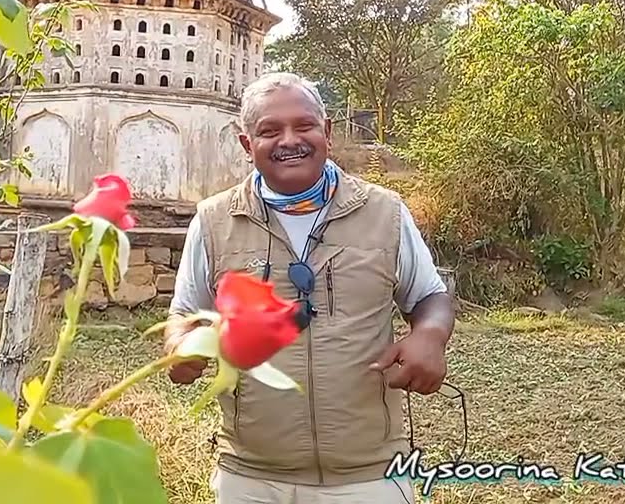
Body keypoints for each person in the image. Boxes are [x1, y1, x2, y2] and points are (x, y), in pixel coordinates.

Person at [164, 72, 454, 504]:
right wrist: (179, 348)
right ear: (247, 146)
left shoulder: (384, 212)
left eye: (304, 126)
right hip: (251, 476)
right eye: (269, 131)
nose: (289, 140)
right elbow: (185, 313)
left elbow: (430, 296)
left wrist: (430, 335)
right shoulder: (213, 221)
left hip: (370, 475)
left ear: (327, 134)